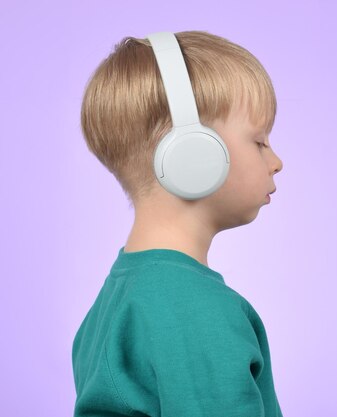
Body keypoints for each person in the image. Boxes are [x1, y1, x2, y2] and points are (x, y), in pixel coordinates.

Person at [71, 30, 284, 417]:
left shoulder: (115, 302)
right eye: (259, 141)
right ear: (193, 153)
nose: (276, 161)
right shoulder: (196, 311)